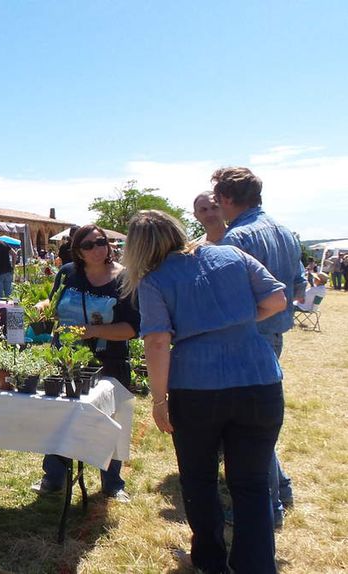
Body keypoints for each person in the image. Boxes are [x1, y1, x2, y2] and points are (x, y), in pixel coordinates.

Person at [123, 210, 286, 574]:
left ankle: (211, 562)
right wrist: (236, 322)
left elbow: (158, 342)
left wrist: (159, 398)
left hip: (196, 390)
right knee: (253, 483)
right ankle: (256, 566)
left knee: (199, 479)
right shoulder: (231, 254)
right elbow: (276, 300)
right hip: (259, 380)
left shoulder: (153, 280)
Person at [213, 166, 304, 527]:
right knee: (259, 423)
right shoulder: (284, 231)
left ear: (226, 198)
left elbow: (227, 300)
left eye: (218, 199)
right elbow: (297, 286)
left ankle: (269, 509)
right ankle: (281, 489)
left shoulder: (238, 238)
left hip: (246, 339)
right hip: (274, 334)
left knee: (248, 429)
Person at [31, 223, 139, 502]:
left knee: (111, 422)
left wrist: (92, 331)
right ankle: (53, 477)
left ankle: (113, 483)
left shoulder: (125, 279)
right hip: (65, 360)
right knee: (59, 418)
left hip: (109, 362)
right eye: (88, 245)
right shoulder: (68, 273)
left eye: (100, 242)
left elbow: (131, 328)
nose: (96, 249)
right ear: (77, 250)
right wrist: (42, 306)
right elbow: (55, 304)